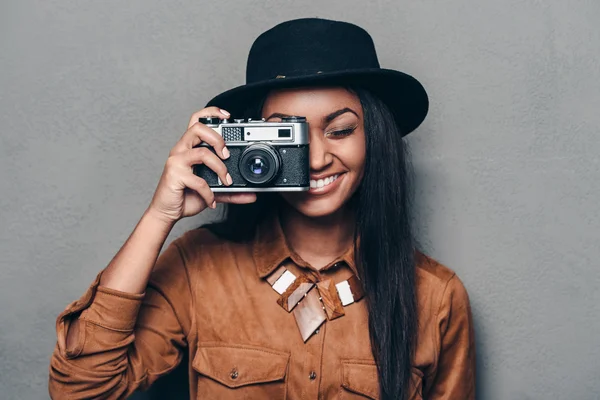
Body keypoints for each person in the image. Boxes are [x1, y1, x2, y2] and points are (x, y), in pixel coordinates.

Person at [48, 18, 475, 400]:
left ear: (375, 138)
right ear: (249, 144)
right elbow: (79, 390)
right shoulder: (198, 269)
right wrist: (161, 214)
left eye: (340, 129)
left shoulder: (436, 298)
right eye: (288, 138)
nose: (316, 159)